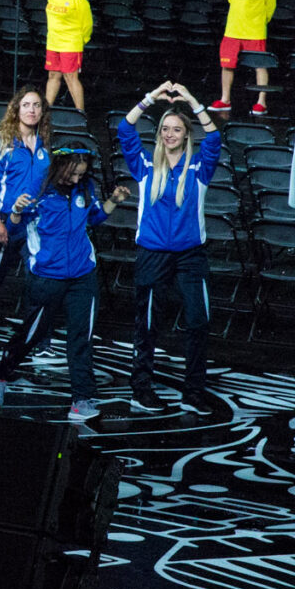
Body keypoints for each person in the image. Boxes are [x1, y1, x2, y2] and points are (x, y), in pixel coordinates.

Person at [0, 149, 131, 423]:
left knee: (81, 338)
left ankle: (82, 398)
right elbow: (14, 230)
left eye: (81, 173)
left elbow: (93, 218)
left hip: (83, 275)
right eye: (72, 173)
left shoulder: (85, 187)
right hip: (47, 276)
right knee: (31, 335)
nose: (77, 178)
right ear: (60, 167)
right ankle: (1, 373)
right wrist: (16, 210)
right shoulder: (37, 190)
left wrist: (114, 200)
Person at [118, 83, 220, 413]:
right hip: (153, 254)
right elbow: (125, 127)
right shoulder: (146, 167)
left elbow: (215, 138)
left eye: (177, 129)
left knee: (198, 320)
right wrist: (152, 97)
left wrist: (191, 100)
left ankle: (193, 392)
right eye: (165, 129)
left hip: (191, 255)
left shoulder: (199, 168)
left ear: (186, 134)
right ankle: (141, 389)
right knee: (147, 323)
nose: (170, 134)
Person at [214, 0, 275, 114]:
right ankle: (225, 99)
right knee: (227, 65)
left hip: (255, 31)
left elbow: (270, 5)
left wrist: (258, 21)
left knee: (260, 66)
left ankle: (261, 102)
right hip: (233, 29)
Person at [44, 0, 92, 112]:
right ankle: (46, 110)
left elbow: (87, 24)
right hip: (53, 43)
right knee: (53, 75)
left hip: (70, 44)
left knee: (70, 78)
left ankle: (80, 113)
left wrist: (79, 42)